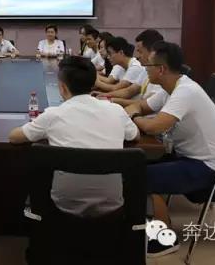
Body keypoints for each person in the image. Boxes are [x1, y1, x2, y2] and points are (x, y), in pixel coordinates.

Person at [126, 42, 215, 257]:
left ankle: (165, 240)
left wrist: (134, 117)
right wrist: (135, 112)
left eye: (148, 65)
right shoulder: (171, 87)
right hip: (189, 156)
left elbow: (155, 126)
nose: (145, 69)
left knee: (143, 176)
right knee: (134, 164)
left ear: (161, 69)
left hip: (209, 166)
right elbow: (142, 106)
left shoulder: (185, 91)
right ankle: (143, 220)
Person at [9, 56, 139, 217]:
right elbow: (135, 135)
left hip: (63, 205)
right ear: (93, 84)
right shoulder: (116, 110)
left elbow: (14, 137)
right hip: (112, 205)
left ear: (62, 87)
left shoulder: (53, 115)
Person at [105, 29, 167, 105]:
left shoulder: (163, 75)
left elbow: (147, 104)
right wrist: (105, 96)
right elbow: (129, 91)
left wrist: (112, 100)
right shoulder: (145, 69)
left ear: (152, 52)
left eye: (140, 52)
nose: (137, 56)